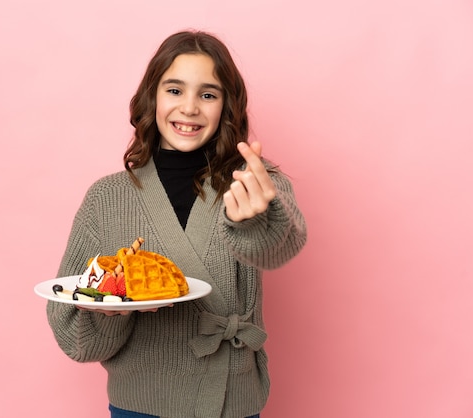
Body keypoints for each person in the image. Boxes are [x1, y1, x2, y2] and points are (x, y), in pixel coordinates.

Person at [46, 30, 307, 418]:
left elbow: (280, 246)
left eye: (208, 94)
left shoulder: (252, 183)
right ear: (152, 97)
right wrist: (107, 312)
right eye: (174, 90)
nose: (189, 108)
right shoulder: (106, 198)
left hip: (230, 398)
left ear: (226, 106)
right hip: (140, 403)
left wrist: (252, 222)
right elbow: (76, 338)